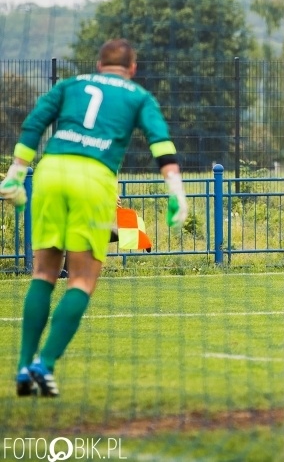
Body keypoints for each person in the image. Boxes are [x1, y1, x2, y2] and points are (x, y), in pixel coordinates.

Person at [0, 39, 188, 397]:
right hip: (94, 179)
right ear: (132, 69)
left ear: (99, 65)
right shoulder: (138, 96)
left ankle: (23, 368)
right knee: (82, 280)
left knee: (42, 274)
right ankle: (46, 363)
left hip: (50, 171)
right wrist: (177, 191)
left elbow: (34, 123)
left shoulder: (70, 85)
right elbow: (160, 143)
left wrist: (14, 172)